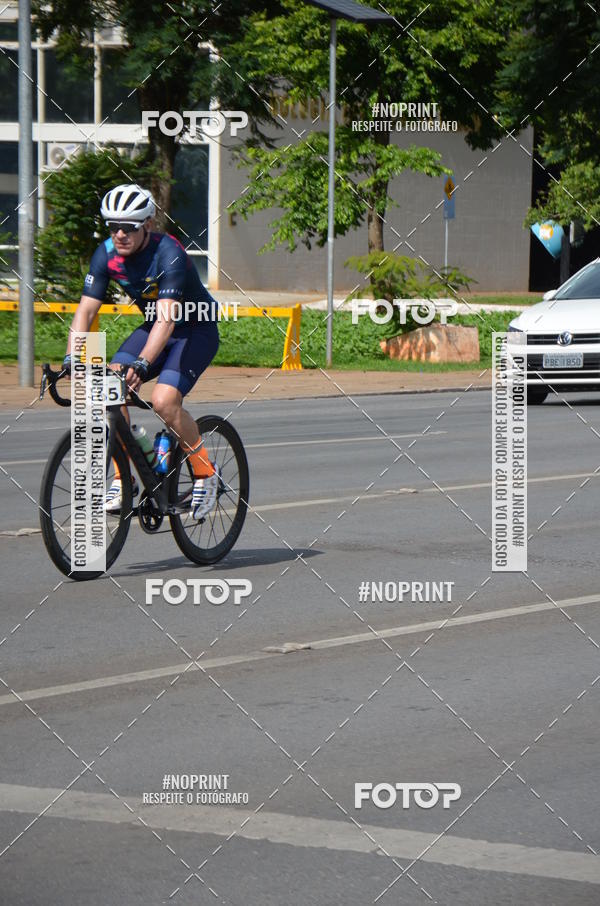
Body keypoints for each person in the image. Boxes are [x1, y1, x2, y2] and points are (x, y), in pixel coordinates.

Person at [62, 183, 220, 519]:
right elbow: (86, 312)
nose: (119, 234)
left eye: (128, 228)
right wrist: (73, 358)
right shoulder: (106, 254)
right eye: (113, 227)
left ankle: (206, 472)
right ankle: (125, 480)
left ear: (147, 224)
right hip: (154, 327)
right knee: (108, 390)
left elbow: (167, 320)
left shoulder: (169, 253)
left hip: (193, 330)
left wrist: (143, 363)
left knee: (163, 401)